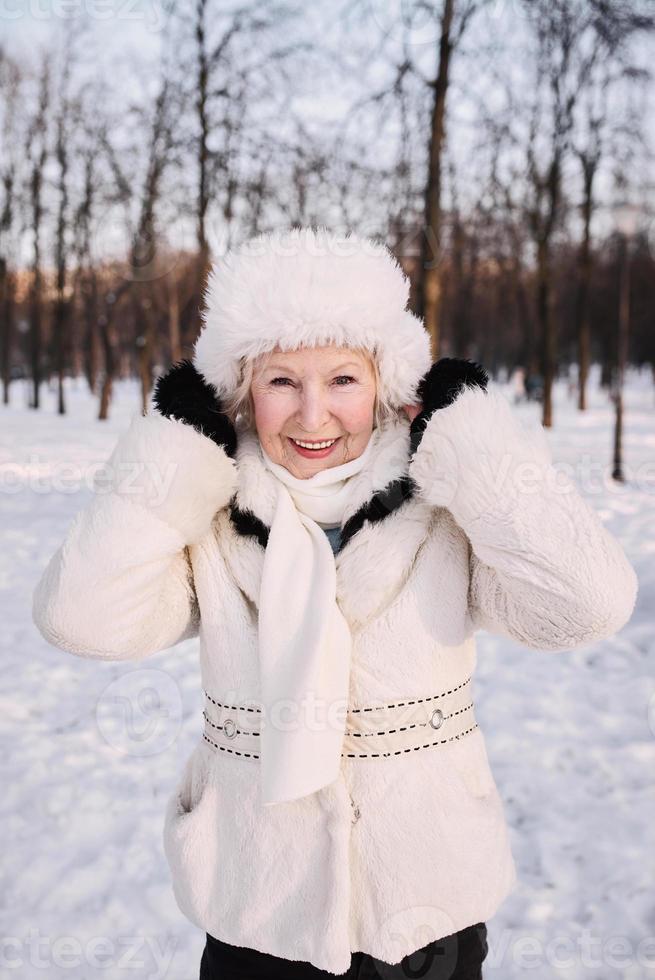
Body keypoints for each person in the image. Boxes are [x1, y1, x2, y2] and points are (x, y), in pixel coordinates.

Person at [32, 227, 638, 980]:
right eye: (282, 381)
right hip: (257, 914)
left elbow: (586, 605)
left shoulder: (445, 505)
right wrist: (169, 457)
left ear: (385, 384)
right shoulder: (209, 511)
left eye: (343, 381)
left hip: (423, 913)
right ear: (240, 391)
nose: (312, 416)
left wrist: (479, 448)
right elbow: (80, 620)